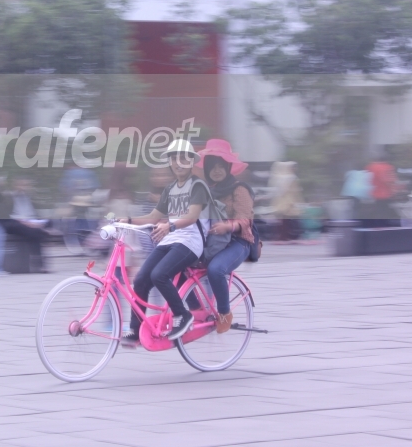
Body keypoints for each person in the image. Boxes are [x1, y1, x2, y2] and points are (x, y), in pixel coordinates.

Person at [122, 139, 209, 345]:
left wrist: (170, 226)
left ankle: (182, 315)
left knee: (160, 275)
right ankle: (135, 329)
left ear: (191, 161)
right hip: (171, 239)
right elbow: (154, 217)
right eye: (174, 159)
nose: (178, 163)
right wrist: (128, 220)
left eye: (183, 158)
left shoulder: (198, 186)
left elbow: (192, 216)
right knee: (141, 279)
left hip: (190, 242)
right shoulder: (170, 189)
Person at [197, 139, 254, 334]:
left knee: (215, 269)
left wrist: (228, 226)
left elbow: (245, 219)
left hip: (238, 242)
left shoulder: (239, 189)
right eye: (212, 167)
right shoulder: (204, 190)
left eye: (221, 166)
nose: (217, 171)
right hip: (212, 242)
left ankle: (224, 313)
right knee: (179, 267)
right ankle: (196, 310)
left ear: (228, 167)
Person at [1, 177, 53, 274]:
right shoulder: (9, 196)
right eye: (22, 185)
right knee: (35, 232)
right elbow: (8, 215)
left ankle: (39, 263)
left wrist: (37, 222)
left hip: (29, 221)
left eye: (27, 185)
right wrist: (27, 222)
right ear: (15, 185)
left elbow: (34, 213)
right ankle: (39, 264)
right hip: (14, 222)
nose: (24, 187)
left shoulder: (29, 197)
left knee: (47, 224)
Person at [268, 161, 303, 241]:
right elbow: (295, 191)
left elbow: (277, 190)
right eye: (293, 167)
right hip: (288, 200)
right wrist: (298, 200)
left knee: (282, 220)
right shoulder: (291, 177)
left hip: (281, 201)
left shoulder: (279, 177)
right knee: (285, 220)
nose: (294, 169)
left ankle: (282, 236)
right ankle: (284, 236)